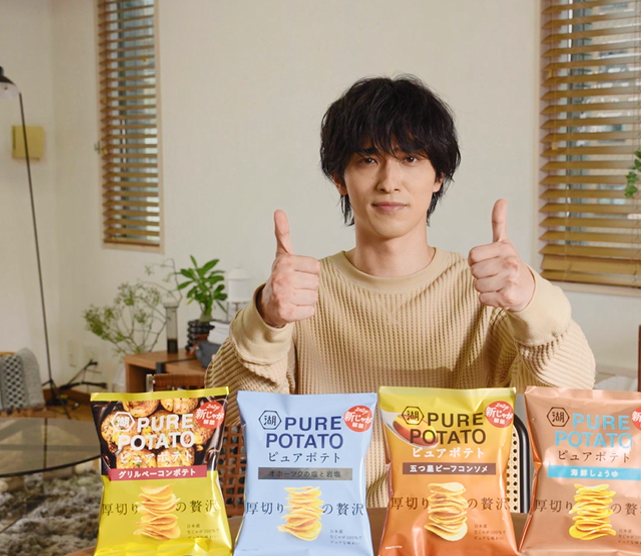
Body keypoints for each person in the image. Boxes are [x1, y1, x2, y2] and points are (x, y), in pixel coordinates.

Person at [206, 75, 595, 506]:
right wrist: (265, 320)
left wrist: (532, 300)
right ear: (339, 178)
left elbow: (572, 403)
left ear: (438, 176)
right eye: (368, 159)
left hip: (454, 527)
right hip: (322, 528)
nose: (389, 181)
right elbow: (234, 423)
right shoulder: (298, 295)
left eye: (410, 158)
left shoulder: (488, 290)